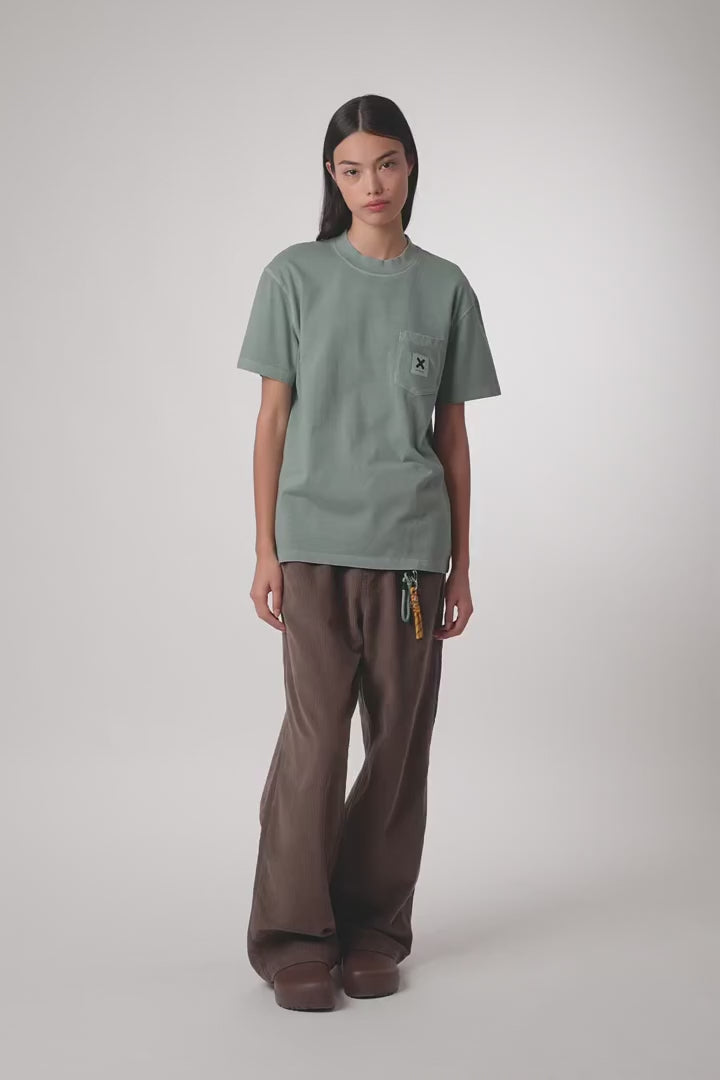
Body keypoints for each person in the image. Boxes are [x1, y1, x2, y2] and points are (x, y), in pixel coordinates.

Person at [235, 94, 502, 1011]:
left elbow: (452, 439)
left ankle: (374, 929)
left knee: (397, 748)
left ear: (410, 165)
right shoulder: (294, 275)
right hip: (312, 546)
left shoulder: (446, 286)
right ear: (332, 178)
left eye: (386, 163)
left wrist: (460, 564)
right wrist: (265, 548)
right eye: (351, 169)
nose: (371, 183)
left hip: (413, 557)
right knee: (315, 745)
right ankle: (293, 935)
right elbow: (272, 420)